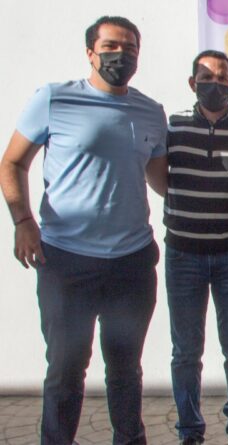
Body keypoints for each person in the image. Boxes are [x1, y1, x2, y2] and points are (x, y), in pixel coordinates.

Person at [0, 16, 167, 445]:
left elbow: (161, 178)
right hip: (66, 263)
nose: (121, 55)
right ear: (90, 52)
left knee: (126, 369)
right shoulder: (54, 99)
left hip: (131, 264)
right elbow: (12, 162)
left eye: (130, 48)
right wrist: (22, 221)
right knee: (66, 370)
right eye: (111, 46)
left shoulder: (151, 112)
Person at [162, 50, 228, 445]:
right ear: (193, 83)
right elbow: (157, 175)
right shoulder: (173, 126)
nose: (215, 84)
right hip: (182, 254)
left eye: (223, 78)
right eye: (206, 77)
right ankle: (189, 430)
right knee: (186, 351)